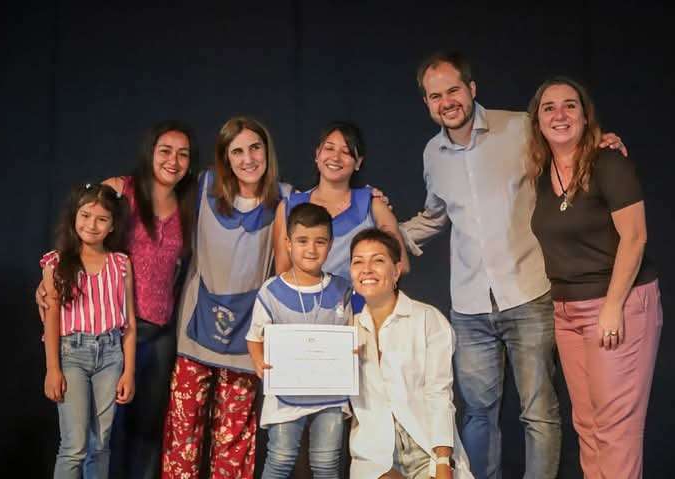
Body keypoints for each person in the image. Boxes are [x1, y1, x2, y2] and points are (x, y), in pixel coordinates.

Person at [399, 50, 627, 479]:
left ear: (471, 90)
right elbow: (433, 216)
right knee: (478, 413)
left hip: (528, 292)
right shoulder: (433, 154)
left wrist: (601, 143)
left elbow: (567, 149)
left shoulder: (519, 127)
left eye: (453, 90)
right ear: (427, 104)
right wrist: (383, 228)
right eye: (435, 96)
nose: (446, 101)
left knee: (538, 411)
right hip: (469, 307)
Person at [37, 120, 198, 479]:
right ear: (150, 153)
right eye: (165, 151)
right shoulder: (121, 189)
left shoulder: (190, 205)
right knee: (95, 435)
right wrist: (45, 286)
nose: (173, 160)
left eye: (183, 154)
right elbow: (82, 239)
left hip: (158, 331)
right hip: (110, 332)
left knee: (146, 429)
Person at [527, 76, 661, 479]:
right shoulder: (542, 174)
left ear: (585, 117)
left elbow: (635, 238)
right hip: (567, 312)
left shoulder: (608, 163)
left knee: (616, 431)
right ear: (537, 121)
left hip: (616, 305)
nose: (560, 114)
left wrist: (613, 306)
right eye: (549, 107)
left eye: (570, 105)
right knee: (589, 427)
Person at [161, 116, 291, 479]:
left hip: (248, 339)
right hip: (196, 331)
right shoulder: (203, 186)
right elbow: (154, 189)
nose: (248, 158)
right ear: (225, 157)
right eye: (237, 151)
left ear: (267, 152)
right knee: (183, 435)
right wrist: (117, 185)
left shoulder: (286, 197)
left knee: (234, 440)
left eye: (255, 148)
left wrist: (373, 202)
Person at [348, 228, 472, 479]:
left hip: (427, 449)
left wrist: (442, 462)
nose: (367, 269)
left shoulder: (427, 319)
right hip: (374, 454)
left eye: (378, 260)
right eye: (358, 261)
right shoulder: (347, 330)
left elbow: (439, 393)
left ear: (396, 270)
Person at [247, 202, 353, 479]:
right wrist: (260, 363)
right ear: (288, 243)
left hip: (330, 394)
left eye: (320, 241)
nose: (311, 249)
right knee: (281, 459)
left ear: (331, 244)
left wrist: (352, 352)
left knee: (327, 464)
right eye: (303, 241)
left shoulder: (342, 289)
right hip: (285, 394)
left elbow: (351, 332)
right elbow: (254, 337)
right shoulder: (271, 291)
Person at [40, 183, 136, 478]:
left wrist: (129, 372)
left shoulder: (120, 264)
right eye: (85, 216)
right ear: (74, 218)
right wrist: (52, 368)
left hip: (110, 356)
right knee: (74, 445)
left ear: (112, 226)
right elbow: (52, 317)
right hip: (72, 355)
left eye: (101, 219)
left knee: (100, 444)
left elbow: (129, 323)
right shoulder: (56, 263)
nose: (91, 225)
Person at [274, 121, 409, 284]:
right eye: (329, 148)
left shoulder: (373, 205)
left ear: (358, 162)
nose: (336, 157)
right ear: (317, 155)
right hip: (305, 306)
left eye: (346, 152)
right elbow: (282, 274)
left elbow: (401, 265)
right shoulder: (289, 207)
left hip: (359, 306)